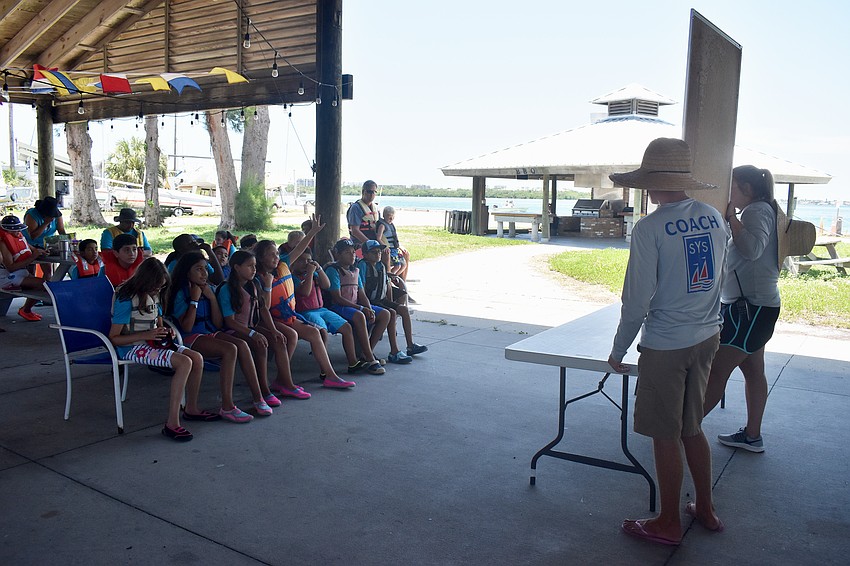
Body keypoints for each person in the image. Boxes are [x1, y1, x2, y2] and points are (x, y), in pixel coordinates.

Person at [606, 138, 727, 544]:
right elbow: (719, 279)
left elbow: (636, 299)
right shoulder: (712, 216)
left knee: (665, 432)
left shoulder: (650, 227)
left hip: (666, 344)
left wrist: (619, 348)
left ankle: (668, 521)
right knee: (692, 427)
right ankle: (706, 508)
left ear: (651, 182)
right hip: (707, 334)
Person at [703, 166, 781, 453]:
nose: (729, 192)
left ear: (746, 189)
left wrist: (733, 217)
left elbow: (752, 248)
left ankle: (683, 432)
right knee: (753, 370)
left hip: (749, 309)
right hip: (756, 307)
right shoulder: (762, 209)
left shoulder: (756, 211)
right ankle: (752, 435)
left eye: (732, 186)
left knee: (716, 371)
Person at [107, 257, 210, 442]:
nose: (158, 290)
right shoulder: (126, 299)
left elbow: (157, 319)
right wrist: (146, 336)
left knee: (197, 358)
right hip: (131, 347)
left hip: (152, 342)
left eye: (161, 287)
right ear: (145, 281)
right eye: (156, 287)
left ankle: (191, 408)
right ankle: (172, 423)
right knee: (184, 362)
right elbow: (114, 339)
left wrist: (164, 330)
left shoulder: (154, 293)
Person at [167, 251, 266, 423]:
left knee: (241, 345)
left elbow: (218, 323)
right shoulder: (180, 293)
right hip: (189, 337)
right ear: (187, 272)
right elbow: (187, 327)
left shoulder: (210, 289)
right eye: (198, 269)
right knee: (230, 349)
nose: (204, 273)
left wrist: (212, 299)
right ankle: (227, 406)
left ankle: (259, 398)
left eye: (205, 268)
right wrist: (194, 300)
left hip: (209, 332)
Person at [256, 234, 356, 388]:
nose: (276, 257)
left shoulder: (282, 267)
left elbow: (301, 249)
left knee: (314, 333)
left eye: (277, 253)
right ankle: (282, 381)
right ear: (261, 258)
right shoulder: (258, 279)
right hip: (271, 318)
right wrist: (268, 285)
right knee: (292, 336)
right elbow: (265, 307)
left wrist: (314, 231)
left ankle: (330, 376)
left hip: (288, 316)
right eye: (271, 254)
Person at [215, 250, 297, 414]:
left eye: (254, 266)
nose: (254, 269)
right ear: (237, 267)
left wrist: (273, 330)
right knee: (259, 344)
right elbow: (230, 322)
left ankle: (282, 383)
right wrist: (253, 334)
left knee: (278, 339)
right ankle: (261, 394)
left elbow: (263, 309)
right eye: (249, 266)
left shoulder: (253, 284)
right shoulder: (227, 289)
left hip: (250, 326)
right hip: (233, 330)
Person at [290, 246, 364, 372]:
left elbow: (327, 285)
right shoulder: (293, 278)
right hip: (305, 312)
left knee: (346, 328)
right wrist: (309, 274)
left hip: (321, 309)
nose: (306, 264)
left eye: (308, 261)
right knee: (322, 331)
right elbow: (305, 292)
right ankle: (325, 370)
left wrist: (318, 269)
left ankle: (353, 363)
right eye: (301, 261)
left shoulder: (314, 274)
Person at [357, 240, 428, 361]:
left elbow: (387, 285)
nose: (378, 254)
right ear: (365, 254)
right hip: (370, 301)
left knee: (403, 309)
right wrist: (368, 306)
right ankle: (386, 351)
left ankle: (410, 345)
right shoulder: (363, 266)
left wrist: (391, 303)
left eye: (379, 252)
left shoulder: (381, 266)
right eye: (374, 252)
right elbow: (361, 289)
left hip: (381, 300)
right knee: (391, 313)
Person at [325, 238, 388, 375]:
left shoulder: (355, 270)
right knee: (360, 315)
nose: (352, 255)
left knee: (384, 314)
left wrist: (368, 308)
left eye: (353, 252)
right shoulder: (333, 270)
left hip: (354, 306)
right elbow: (337, 298)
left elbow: (362, 294)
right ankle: (371, 359)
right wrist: (360, 308)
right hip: (338, 307)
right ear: (338, 254)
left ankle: (367, 352)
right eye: (347, 252)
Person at [0, 215, 49, 321]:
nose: (18, 232)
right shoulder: (3, 243)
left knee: (45, 283)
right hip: (7, 277)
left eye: (19, 229)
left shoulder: (19, 238)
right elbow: (11, 268)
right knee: (44, 285)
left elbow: (32, 249)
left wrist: (41, 252)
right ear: (7, 231)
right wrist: (32, 257)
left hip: (20, 272)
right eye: (15, 230)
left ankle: (26, 310)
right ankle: (26, 310)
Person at [376, 206, 411, 280]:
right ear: (384, 216)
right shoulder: (382, 225)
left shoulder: (391, 225)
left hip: (395, 249)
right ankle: (387, 279)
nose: (391, 219)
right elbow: (378, 238)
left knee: (403, 265)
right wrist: (384, 246)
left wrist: (399, 246)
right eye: (389, 217)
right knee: (397, 266)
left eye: (393, 217)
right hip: (389, 250)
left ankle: (392, 278)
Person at [347, 180, 382, 252]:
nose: (372, 194)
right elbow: (355, 231)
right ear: (363, 192)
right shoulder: (356, 208)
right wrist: (370, 244)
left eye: (374, 192)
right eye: (369, 191)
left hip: (375, 243)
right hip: (360, 244)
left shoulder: (376, 208)